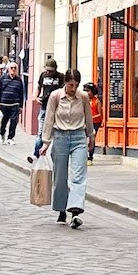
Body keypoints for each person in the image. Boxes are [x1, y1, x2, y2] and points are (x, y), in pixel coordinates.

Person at [41, 69, 95, 227]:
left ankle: (76, 211)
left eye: (76, 85)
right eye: (70, 85)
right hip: (60, 137)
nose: (73, 89)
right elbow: (49, 118)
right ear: (65, 82)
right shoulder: (55, 96)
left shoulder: (83, 97)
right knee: (60, 177)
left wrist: (91, 136)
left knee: (79, 175)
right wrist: (46, 142)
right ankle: (61, 210)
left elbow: (88, 116)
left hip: (79, 137)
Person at [29, 60, 64, 161]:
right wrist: (35, 97)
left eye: (51, 71)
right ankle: (36, 154)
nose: (48, 73)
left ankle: (56, 155)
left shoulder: (61, 77)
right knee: (41, 132)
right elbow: (39, 87)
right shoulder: (43, 75)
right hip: (44, 106)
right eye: (47, 70)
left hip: (57, 108)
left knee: (57, 131)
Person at [0, 63, 24, 144]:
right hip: (4, 104)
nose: (13, 69)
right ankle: (2, 134)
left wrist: (21, 106)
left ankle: (10, 138)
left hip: (14, 104)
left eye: (15, 68)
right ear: (8, 69)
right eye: (11, 68)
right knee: (3, 122)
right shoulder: (2, 78)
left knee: (13, 122)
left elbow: (21, 93)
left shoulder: (19, 80)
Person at [84, 82, 104, 162]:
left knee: (91, 139)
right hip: (85, 123)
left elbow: (100, 115)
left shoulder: (97, 101)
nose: (87, 93)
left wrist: (91, 118)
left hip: (95, 123)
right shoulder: (83, 100)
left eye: (88, 91)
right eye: (85, 91)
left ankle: (90, 157)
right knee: (84, 140)